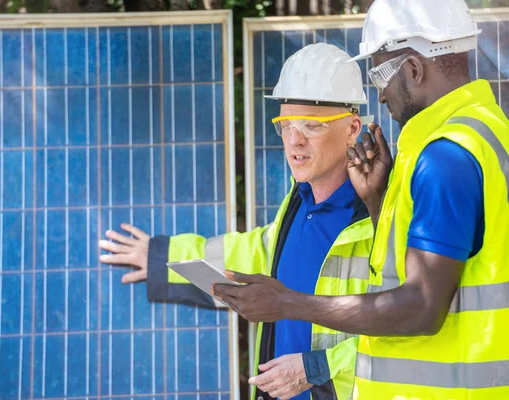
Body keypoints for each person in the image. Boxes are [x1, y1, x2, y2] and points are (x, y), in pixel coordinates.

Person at [212, 0, 509, 399]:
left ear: (414, 69)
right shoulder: (488, 133)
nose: (380, 96)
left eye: (380, 75)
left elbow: (422, 306)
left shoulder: (445, 157)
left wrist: (287, 303)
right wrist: (376, 200)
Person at [99, 43, 377, 400]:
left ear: (353, 127)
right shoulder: (298, 202)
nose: (295, 142)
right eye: (286, 125)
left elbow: (411, 320)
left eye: (312, 126)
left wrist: (320, 367)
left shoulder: (379, 213)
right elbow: (255, 253)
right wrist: (161, 256)